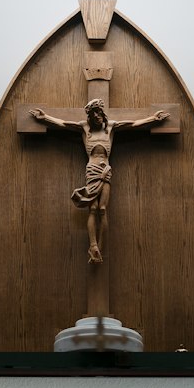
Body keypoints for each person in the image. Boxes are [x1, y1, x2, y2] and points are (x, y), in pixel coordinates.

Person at [30, 98, 168, 264]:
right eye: (93, 113)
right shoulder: (84, 128)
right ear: (89, 116)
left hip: (105, 171)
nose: (97, 115)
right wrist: (44, 118)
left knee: (102, 209)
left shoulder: (110, 128)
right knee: (93, 208)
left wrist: (153, 119)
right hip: (92, 171)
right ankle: (93, 245)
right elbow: (64, 124)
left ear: (102, 113)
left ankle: (100, 247)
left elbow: (133, 124)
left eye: (99, 112)